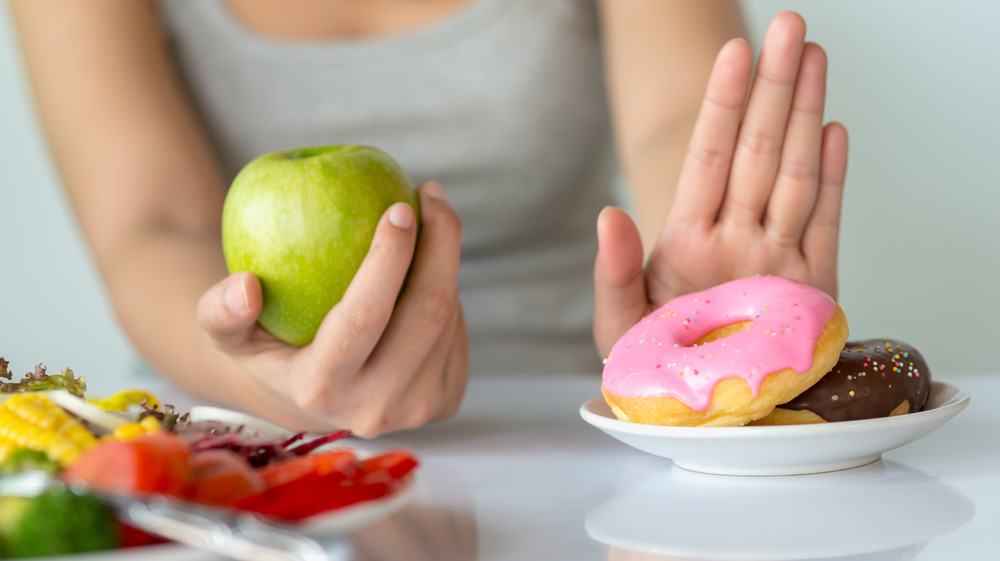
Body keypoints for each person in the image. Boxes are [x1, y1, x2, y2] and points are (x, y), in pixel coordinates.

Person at [8, 1, 846, 437]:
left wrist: (699, 308)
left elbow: (677, 124)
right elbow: (150, 222)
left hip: (575, 431)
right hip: (240, 441)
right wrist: (271, 384)